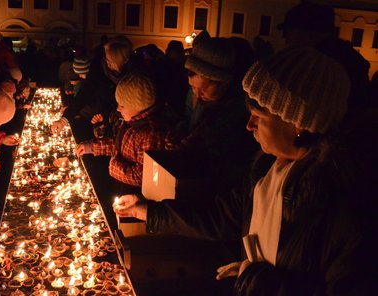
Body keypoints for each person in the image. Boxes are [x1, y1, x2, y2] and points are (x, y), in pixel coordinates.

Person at [114, 46, 378, 295]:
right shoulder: (266, 171)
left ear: (299, 122)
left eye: (259, 116)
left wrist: (255, 277)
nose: (248, 125)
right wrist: (147, 211)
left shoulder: (343, 203)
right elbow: (220, 216)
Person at [167, 37, 259, 194]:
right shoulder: (196, 94)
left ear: (224, 82)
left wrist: (205, 145)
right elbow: (188, 117)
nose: (196, 94)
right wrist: (181, 131)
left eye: (203, 88)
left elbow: (238, 162)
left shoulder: (243, 110)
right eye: (192, 87)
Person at [75, 72, 168, 190]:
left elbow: (144, 177)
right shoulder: (132, 123)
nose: (118, 109)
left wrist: (114, 167)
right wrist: (92, 147)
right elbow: (120, 146)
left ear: (137, 106)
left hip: (134, 196)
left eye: (122, 106)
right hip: (122, 187)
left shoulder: (150, 134)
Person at [278, 1, 370, 111]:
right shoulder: (346, 58)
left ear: (311, 35)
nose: (287, 40)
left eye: (289, 33)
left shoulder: (320, 65)